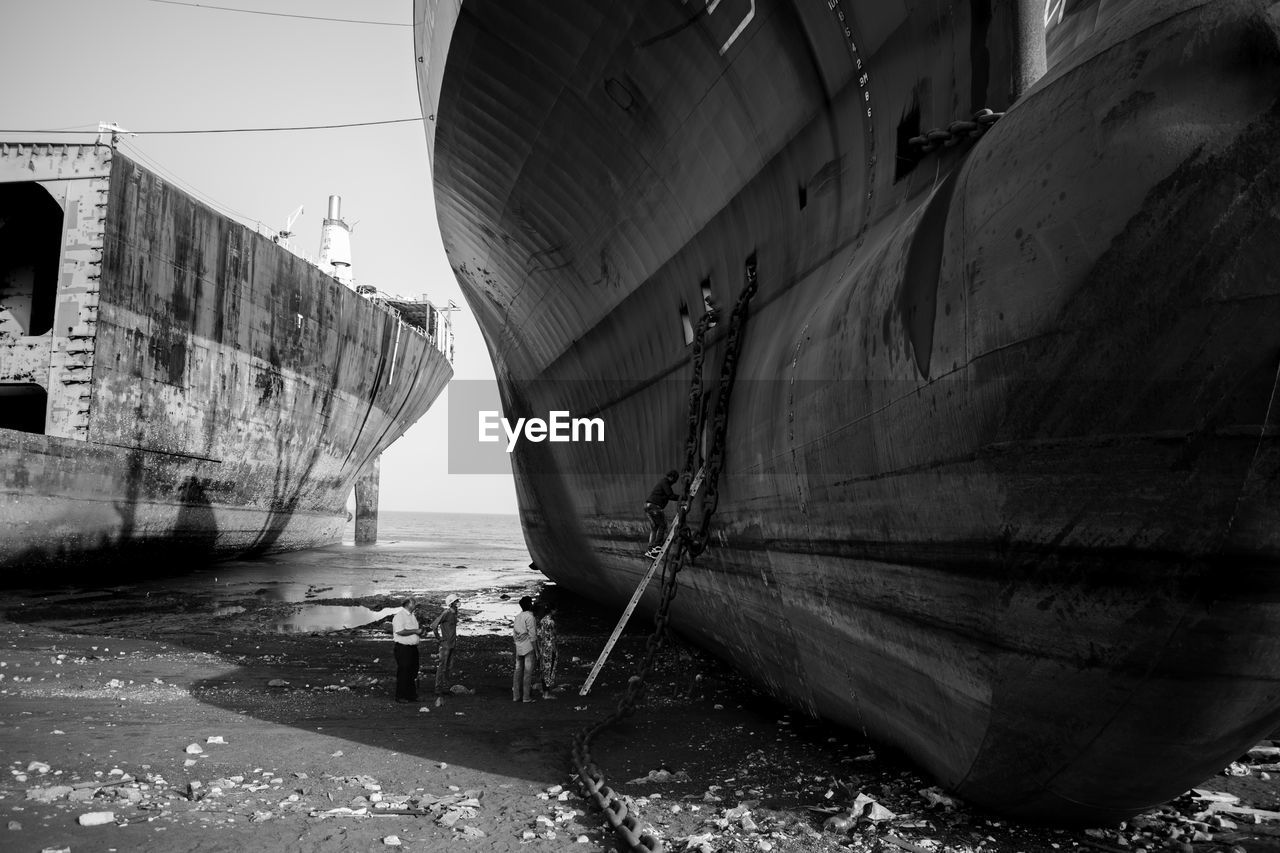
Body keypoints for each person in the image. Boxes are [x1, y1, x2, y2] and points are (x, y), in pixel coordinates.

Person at [429, 593, 461, 708]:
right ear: (451, 603)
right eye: (456, 601)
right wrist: (439, 638)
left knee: (449, 667)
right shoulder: (446, 613)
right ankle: (438, 689)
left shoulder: (454, 613)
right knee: (442, 666)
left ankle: (446, 689)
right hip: (445, 645)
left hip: (452, 645)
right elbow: (433, 625)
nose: (458, 603)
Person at [644, 469, 681, 558]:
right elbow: (670, 495)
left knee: (655, 528)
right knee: (662, 525)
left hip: (648, 506)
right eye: (675, 480)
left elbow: (667, 495)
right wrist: (683, 497)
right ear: (671, 477)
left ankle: (650, 550)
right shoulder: (665, 482)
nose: (675, 482)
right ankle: (656, 547)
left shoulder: (663, 483)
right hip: (654, 507)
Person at [390, 597, 421, 703]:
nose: (415, 605)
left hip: (412, 648)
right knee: (404, 671)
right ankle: (400, 696)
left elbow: (411, 631)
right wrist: (416, 631)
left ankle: (411, 695)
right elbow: (399, 631)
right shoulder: (399, 616)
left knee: (413, 671)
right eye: (414, 603)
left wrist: (418, 632)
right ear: (408, 604)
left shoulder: (412, 616)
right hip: (403, 648)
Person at [512, 595, 538, 703]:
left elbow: (514, 634)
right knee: (527, 673)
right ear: (529, 605)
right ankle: (526, 697)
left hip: (519, 646)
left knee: (517, 672)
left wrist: (517, 643)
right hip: (528, 647)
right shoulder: (530, 617)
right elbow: (533, 636)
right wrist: (537, 651)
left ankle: (516, 696)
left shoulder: (518, 617)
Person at [535, 601, 558, 698]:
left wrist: (539, 648)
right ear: (552, 610)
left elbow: (539, 635)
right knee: (550, 670)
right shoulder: (551, 622)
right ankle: (546, 693)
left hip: (543, 648)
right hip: (550, 648)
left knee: (544, 670)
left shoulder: (542, 621)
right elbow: (553, 637)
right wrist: (555, 649)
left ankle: (545, 691)